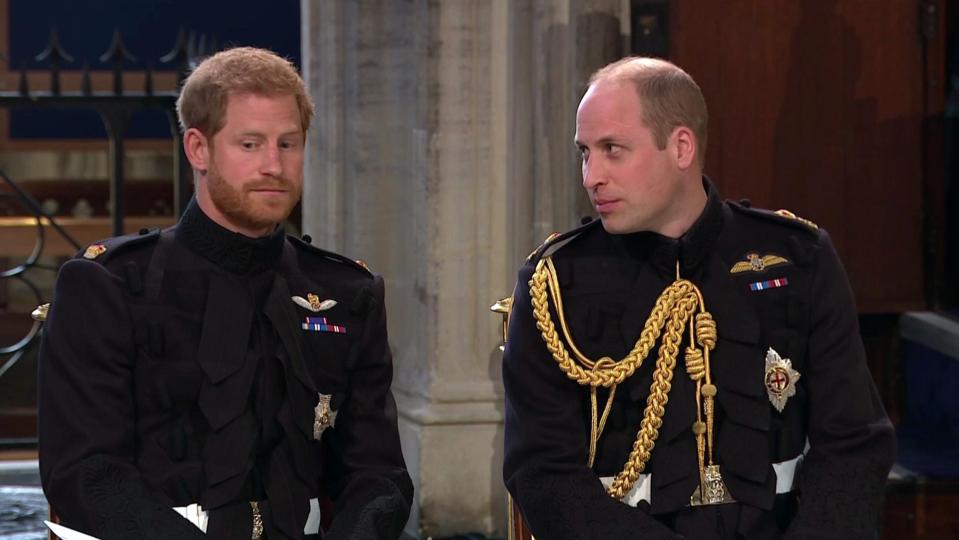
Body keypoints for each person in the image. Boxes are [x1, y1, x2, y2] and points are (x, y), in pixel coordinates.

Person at [502, 56, 895, 539]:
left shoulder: (798, 259)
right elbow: (543, 476)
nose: (591, 176)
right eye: (585, 152)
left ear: (681, 147)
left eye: (612, 149)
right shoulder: (556, 286)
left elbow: (854, 445)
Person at [38, 47, 412, 540]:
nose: (274, 165)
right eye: (250, 144)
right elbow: (88, 475)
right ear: (198, 148)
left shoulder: (346, 292)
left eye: (288, 143)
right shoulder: (110, 287)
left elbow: (379, 474)